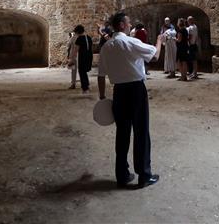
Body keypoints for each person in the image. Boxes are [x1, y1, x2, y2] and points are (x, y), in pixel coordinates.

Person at [97, 11, 164, 188]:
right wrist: (159, 41)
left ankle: (122, 175)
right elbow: (155, 56)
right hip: (136, 90)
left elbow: (101, 74)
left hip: (118, 92)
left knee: (122, 133)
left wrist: (103, 98)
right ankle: (144, 175)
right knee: (141, 132)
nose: (130, 25)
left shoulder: (106, 46)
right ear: (121, 25)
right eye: (128, 23)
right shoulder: (130, 42)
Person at [70, 25, 94, 93]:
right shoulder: (88, 37)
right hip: (89, 56)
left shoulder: (79, 38)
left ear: (77, 31)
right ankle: (87, 85)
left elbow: (76, 50)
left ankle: (85, 88)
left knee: (82, 72)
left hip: (82, 57)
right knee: (84, 71)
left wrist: (72, 59)